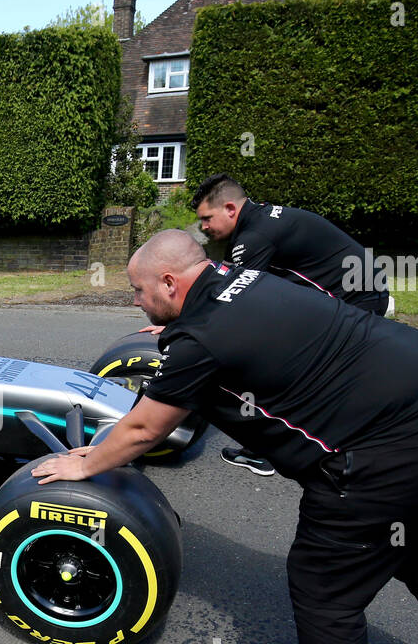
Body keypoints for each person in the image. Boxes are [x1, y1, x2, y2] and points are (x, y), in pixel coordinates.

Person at [35, 230, 418, 644]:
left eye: (138, 289)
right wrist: (176, 335)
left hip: (399, 449)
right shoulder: (245, 281)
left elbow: (142, 431)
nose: (135, 301)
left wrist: (85, 461)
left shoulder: (200, 339)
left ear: (171, 282)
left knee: (325, 587)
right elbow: (230, 336)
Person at [145, 173, 391, 476]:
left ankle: (270, 452)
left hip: (357, 298)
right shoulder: (262, 220)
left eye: (208, 218)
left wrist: (182, 327)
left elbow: (236, 300)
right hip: (361, 288)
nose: (205, 227)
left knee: (282, 362)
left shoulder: (254, 238)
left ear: (231, 209)